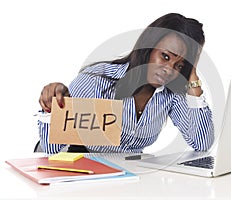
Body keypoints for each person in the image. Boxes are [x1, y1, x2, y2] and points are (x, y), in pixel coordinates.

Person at [38, 13, 214, 154]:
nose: (169, 69)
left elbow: (202, 143)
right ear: (148, 47)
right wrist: (54, 108)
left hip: (132, 179)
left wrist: (193, 78)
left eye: (180, 65)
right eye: (165, 56)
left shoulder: (169, 94)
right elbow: (52, 151)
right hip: (85, 175)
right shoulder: (96, 80)